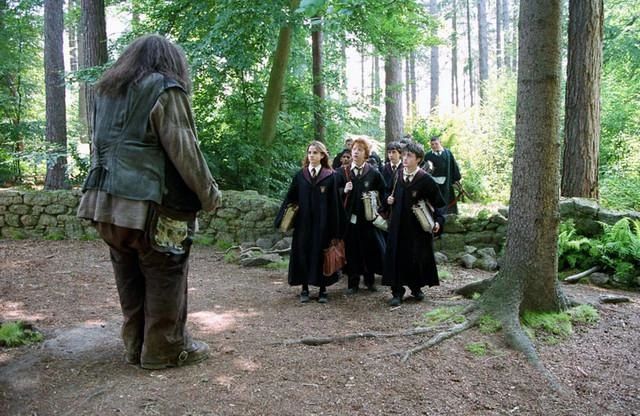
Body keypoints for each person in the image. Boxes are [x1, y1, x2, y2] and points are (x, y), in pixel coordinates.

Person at [77, 34, 221, 369]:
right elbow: (185, 150)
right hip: (151, 206)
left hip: (104, 205)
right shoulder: (165, 89)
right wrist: (210, 195)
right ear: (170, 62)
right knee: (166, 272)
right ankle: (163, 349)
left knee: (127, 272)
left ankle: (134, 344)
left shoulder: (105, 91)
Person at [275, 141, 342, 303]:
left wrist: (336, 228)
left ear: (322, 155)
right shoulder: (300, 176)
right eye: (309, 152)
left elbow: (335, 204)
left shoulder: (330, 176)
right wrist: (282, 218)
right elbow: (290, 197)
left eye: (315, 153)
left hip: (322, 224)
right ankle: (304, 288)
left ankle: (322, 289)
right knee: (303, 253)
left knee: (321, 254)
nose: (311, 155)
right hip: (303, 223)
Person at [382, 142, 445, 306]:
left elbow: (438, 203)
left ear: (418, 159)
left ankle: (416, 288)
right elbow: (387, 191)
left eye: (409, 156)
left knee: (416, 256)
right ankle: (397, 292)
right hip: (397, 225)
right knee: (396, 256)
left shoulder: (425, 179)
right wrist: (388, 199)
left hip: (417, 228)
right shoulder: (397, 175)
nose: (404, 158)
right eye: (403, 155)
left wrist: (438, 221)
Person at [335, 137, 386, 294]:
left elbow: (384, 192)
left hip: (368, 220)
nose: (356, 152)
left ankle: (369, 281)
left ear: (366, 154)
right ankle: (353, 283)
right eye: (354, 149)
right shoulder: (342, 172)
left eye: (360, 150)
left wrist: (377, 205)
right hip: (349, 220)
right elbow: (332, 194)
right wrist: (343, 190)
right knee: (351, 250)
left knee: (369, 249)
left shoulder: (373, 173)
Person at [424, 135, 462, 214]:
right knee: (435, 199)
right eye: (432, 144)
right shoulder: (428, 155)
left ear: (440, 143)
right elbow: (423, 169)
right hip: (433, 182)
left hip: (446, 181)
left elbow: (454, 166)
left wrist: (456, 179)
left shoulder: (448, 153)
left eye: (436, 144)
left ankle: (448, 216)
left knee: (447, 199)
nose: (434, 146)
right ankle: (435, 215)